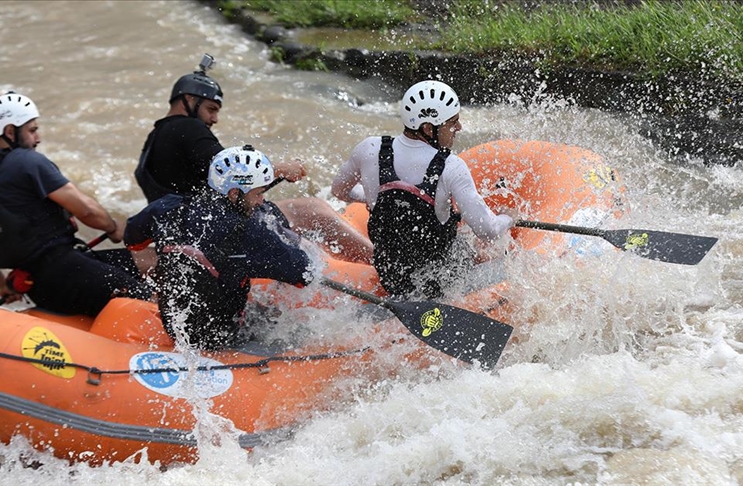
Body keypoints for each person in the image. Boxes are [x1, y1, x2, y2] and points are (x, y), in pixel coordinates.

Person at [134, 54, 373, 265]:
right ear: (188, 99)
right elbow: (230, 171)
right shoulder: (188, 128)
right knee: (312, 209)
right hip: (217, 231)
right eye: (211, 108)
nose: (215, 118)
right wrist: (281, 169)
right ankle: (382, 264)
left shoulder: (153, 139)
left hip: (190, 230)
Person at [0, 92, 151, 315]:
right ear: (10, 131)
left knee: (155, 261)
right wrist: (113, 227)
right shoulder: (25, 161)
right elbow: (87, 211)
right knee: (150, 301)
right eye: (32, 130)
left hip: (39, 284)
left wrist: (1, 284)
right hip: (67, 272)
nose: (37, 138)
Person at [330, 80, 515, 298]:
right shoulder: (451, 166)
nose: (459, 128)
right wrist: (507, 218)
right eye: (452, 122)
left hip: (391, 276)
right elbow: (488, 230)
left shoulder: (369, 148)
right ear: (428, 128)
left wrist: (371, 198)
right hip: (443, 277)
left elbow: (339, 191)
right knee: (479, 248)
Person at [125, 145, 314, 350]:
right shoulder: (252, 233)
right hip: (220, 336)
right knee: (300, 332)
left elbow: (133, 240)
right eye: (259, 193)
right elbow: (304, 273)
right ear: (234, 193)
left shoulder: (168, 207)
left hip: (174, 325)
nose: (262, 201)